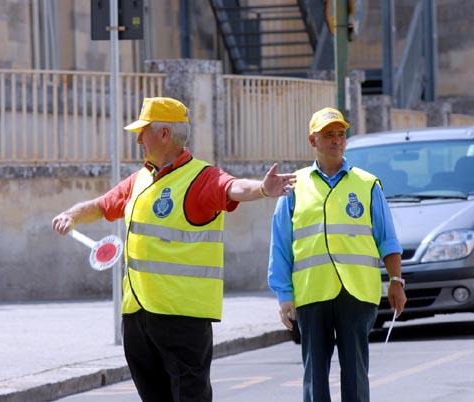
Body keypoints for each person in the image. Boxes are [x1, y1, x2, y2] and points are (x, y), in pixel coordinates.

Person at [52, 97, 295, 402]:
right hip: (138, 316)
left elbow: (232, 187)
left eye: (143, 132)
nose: (138, 139)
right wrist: (72, 214)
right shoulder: (140, 179)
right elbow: (102, 205)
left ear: (164, 134)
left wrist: (262, 189)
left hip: (183, 320)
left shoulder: (201, 178)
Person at [267, 107, 407, 402]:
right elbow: (280, 245)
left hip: (357, 293)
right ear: (312, 140)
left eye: (341, 134)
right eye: (328, 134)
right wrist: (284, 296)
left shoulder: (367, 184)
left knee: (355, 374)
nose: (336, 140)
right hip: (311, 293)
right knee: (314, 376)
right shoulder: (294, 187)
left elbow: (388, 239)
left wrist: (396, 281)